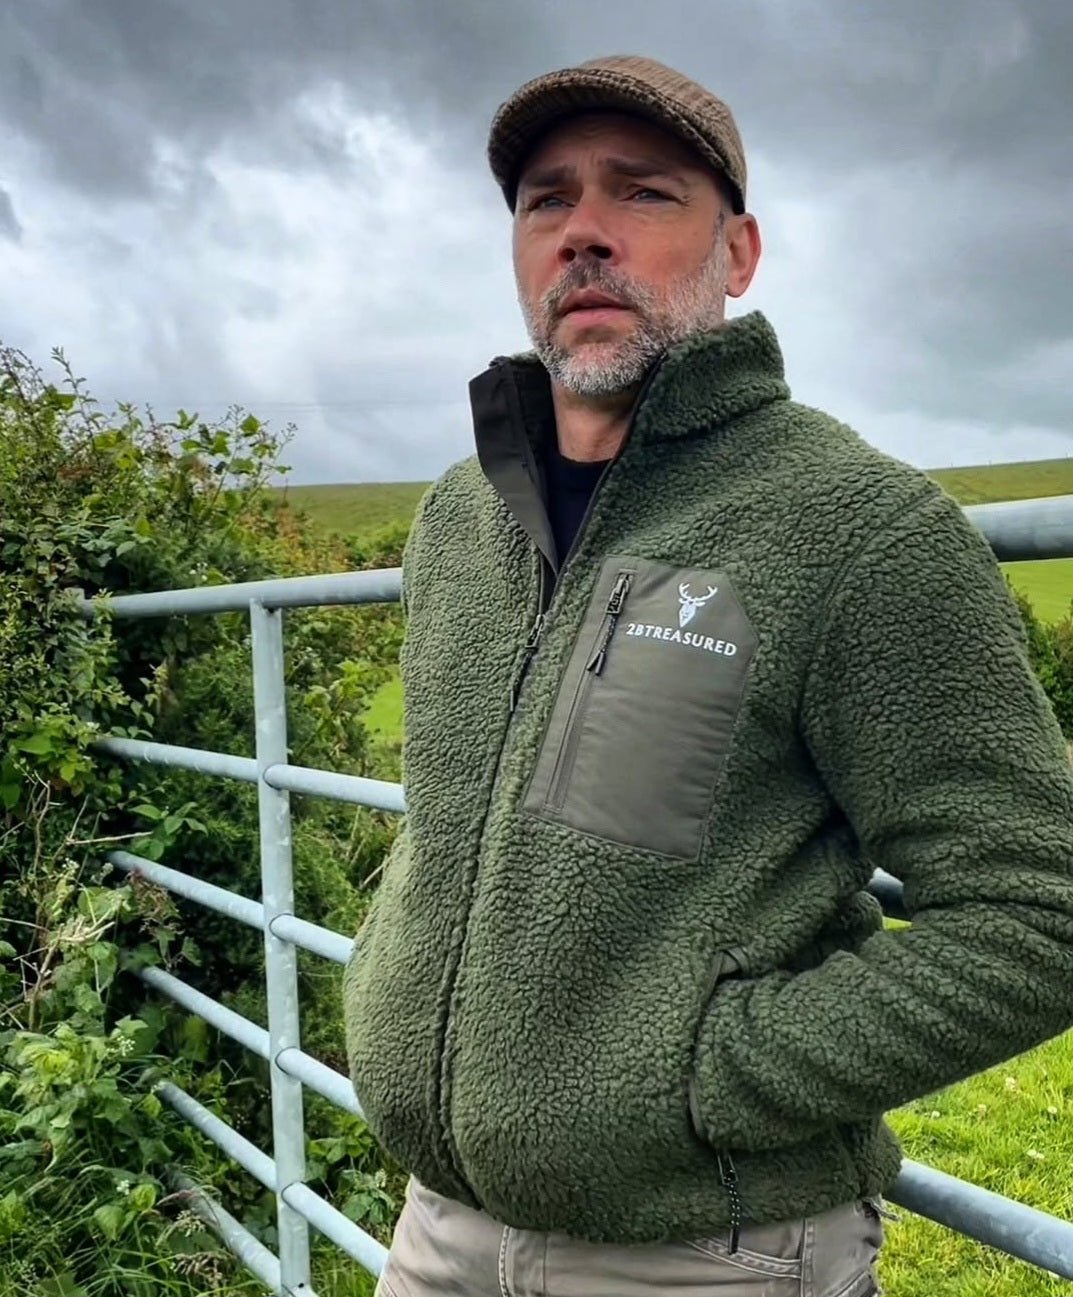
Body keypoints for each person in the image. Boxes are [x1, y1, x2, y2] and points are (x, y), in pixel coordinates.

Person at [343, 55, 1073, 1296]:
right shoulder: (458, 519)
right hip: (436, 1227)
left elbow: (1040, 907)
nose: (582, 232)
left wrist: (704, 1073)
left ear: (736, 253)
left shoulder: (851, 528)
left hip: (703, 1254)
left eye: (642, 194)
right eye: (544, 200)